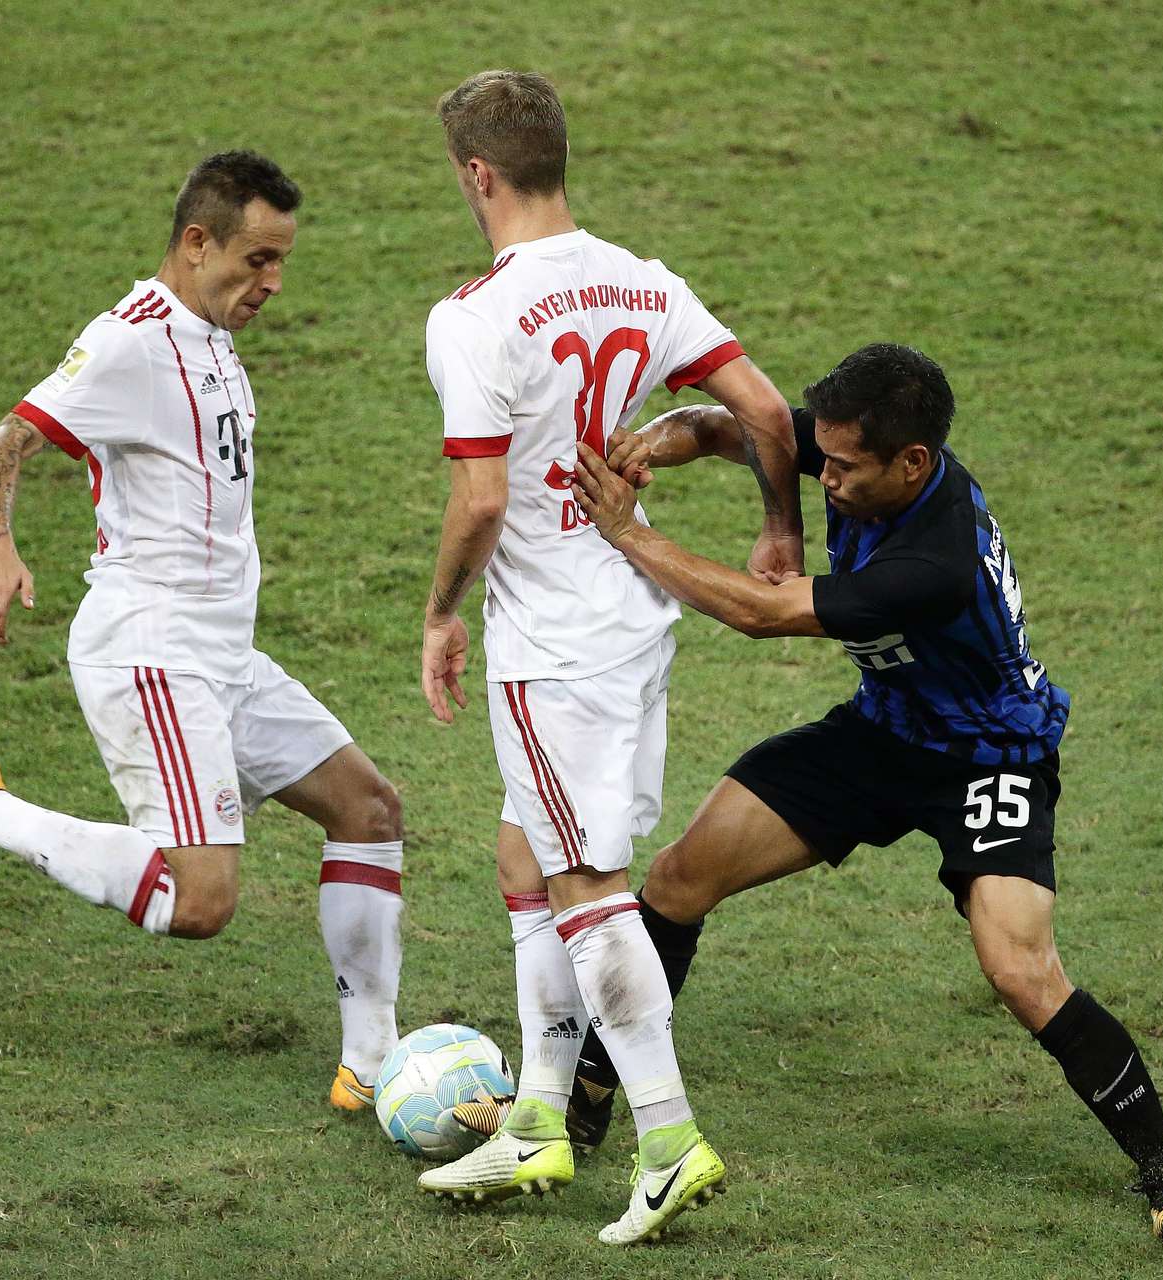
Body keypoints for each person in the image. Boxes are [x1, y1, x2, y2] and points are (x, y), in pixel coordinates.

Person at [565, 342, 1163, 1243]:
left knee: (1020, 970)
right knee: (678, 879)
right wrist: (650, 445)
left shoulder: (936, 563)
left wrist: (629, 532)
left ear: (912, 461)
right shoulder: (856, 450)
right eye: (821, 457)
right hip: (883, 732)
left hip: (989, 757)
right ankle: (583, 1103)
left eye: (843, 466)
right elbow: (724, 427)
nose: (824, 478)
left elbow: (762, 612)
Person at [0, 151, 406, 1115]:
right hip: (152, 651)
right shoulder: (129, 342)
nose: (274, 283)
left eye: (283, 261)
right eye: (259, 259)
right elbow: (4, 442)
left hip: (222, 655)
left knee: (369, 810)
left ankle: (372, 1064)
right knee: (200, 902)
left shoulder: (212, 334)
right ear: (196, 242)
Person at [415, 70, 805, 1246]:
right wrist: (782, 531)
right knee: (523, 850)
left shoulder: (474, 315)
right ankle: (538, 1116)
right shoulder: (644, 279)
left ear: (476, 173)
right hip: (636, 624)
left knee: (586, 886)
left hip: (552, 645)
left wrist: (440, 612)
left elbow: (482, 501)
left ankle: (669, 1137)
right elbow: (768, 414)